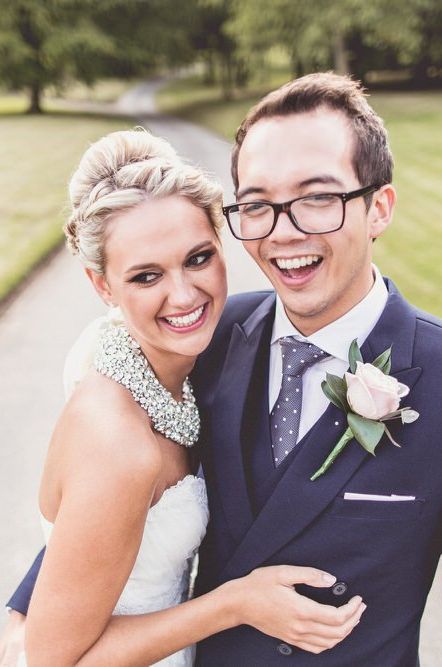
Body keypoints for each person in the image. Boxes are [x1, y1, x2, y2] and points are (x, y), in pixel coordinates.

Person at [4, 70, 441, 665]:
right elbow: (109, 510)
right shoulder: (209, 340)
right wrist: (25, 612)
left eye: (317, 197)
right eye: (259, 205)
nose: (284, 233)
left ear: (379, 207)